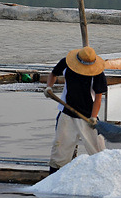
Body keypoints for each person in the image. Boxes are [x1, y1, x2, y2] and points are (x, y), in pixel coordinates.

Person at [44, 46, 108, 174]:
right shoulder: (67, 63)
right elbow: (53, 73)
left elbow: (98, 99)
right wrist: (49, 87)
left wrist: (94, 117)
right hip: (67, 112)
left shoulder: (97, 73)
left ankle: (103, 175)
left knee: (97, 150)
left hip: (88, 116)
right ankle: (54, 177)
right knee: (60, 148)